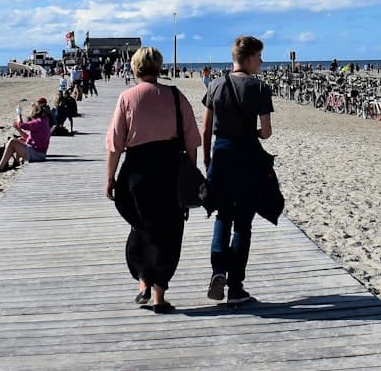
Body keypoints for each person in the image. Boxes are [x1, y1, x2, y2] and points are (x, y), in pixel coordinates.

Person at [106, 47, 200, 313]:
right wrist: (190, 172)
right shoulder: (175, 96)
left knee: (142, 226)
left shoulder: (127, 98)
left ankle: (142, 281)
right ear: (159, 67)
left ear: (134, 68)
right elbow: (192, 140)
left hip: (136, 171)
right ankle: (158, 296)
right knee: (169, 233)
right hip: (170, 170)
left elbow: (115, 144)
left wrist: (110, 177)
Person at [201, 35, 276, 306]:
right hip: (247, 157)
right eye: (259, 57)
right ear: (248, 58)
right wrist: (251, 132)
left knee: (223, 215)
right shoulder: (259, 88)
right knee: (243, 223)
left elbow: (206, 128)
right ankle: (236, 287)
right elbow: (266, 133)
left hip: (221, 155)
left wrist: (207, 159)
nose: (262, 62)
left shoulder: (216, 85)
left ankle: (218, 270)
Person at [0, 102, 51, 172]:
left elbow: (22, 125)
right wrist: (18, 129)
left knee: (12, 142)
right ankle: (16, 162)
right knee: (20, 139)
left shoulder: (38, 122)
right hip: (40, 153)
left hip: (37, 154)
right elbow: (28, 137)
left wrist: (18, 114)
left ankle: (1, 166)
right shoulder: (44, 121)